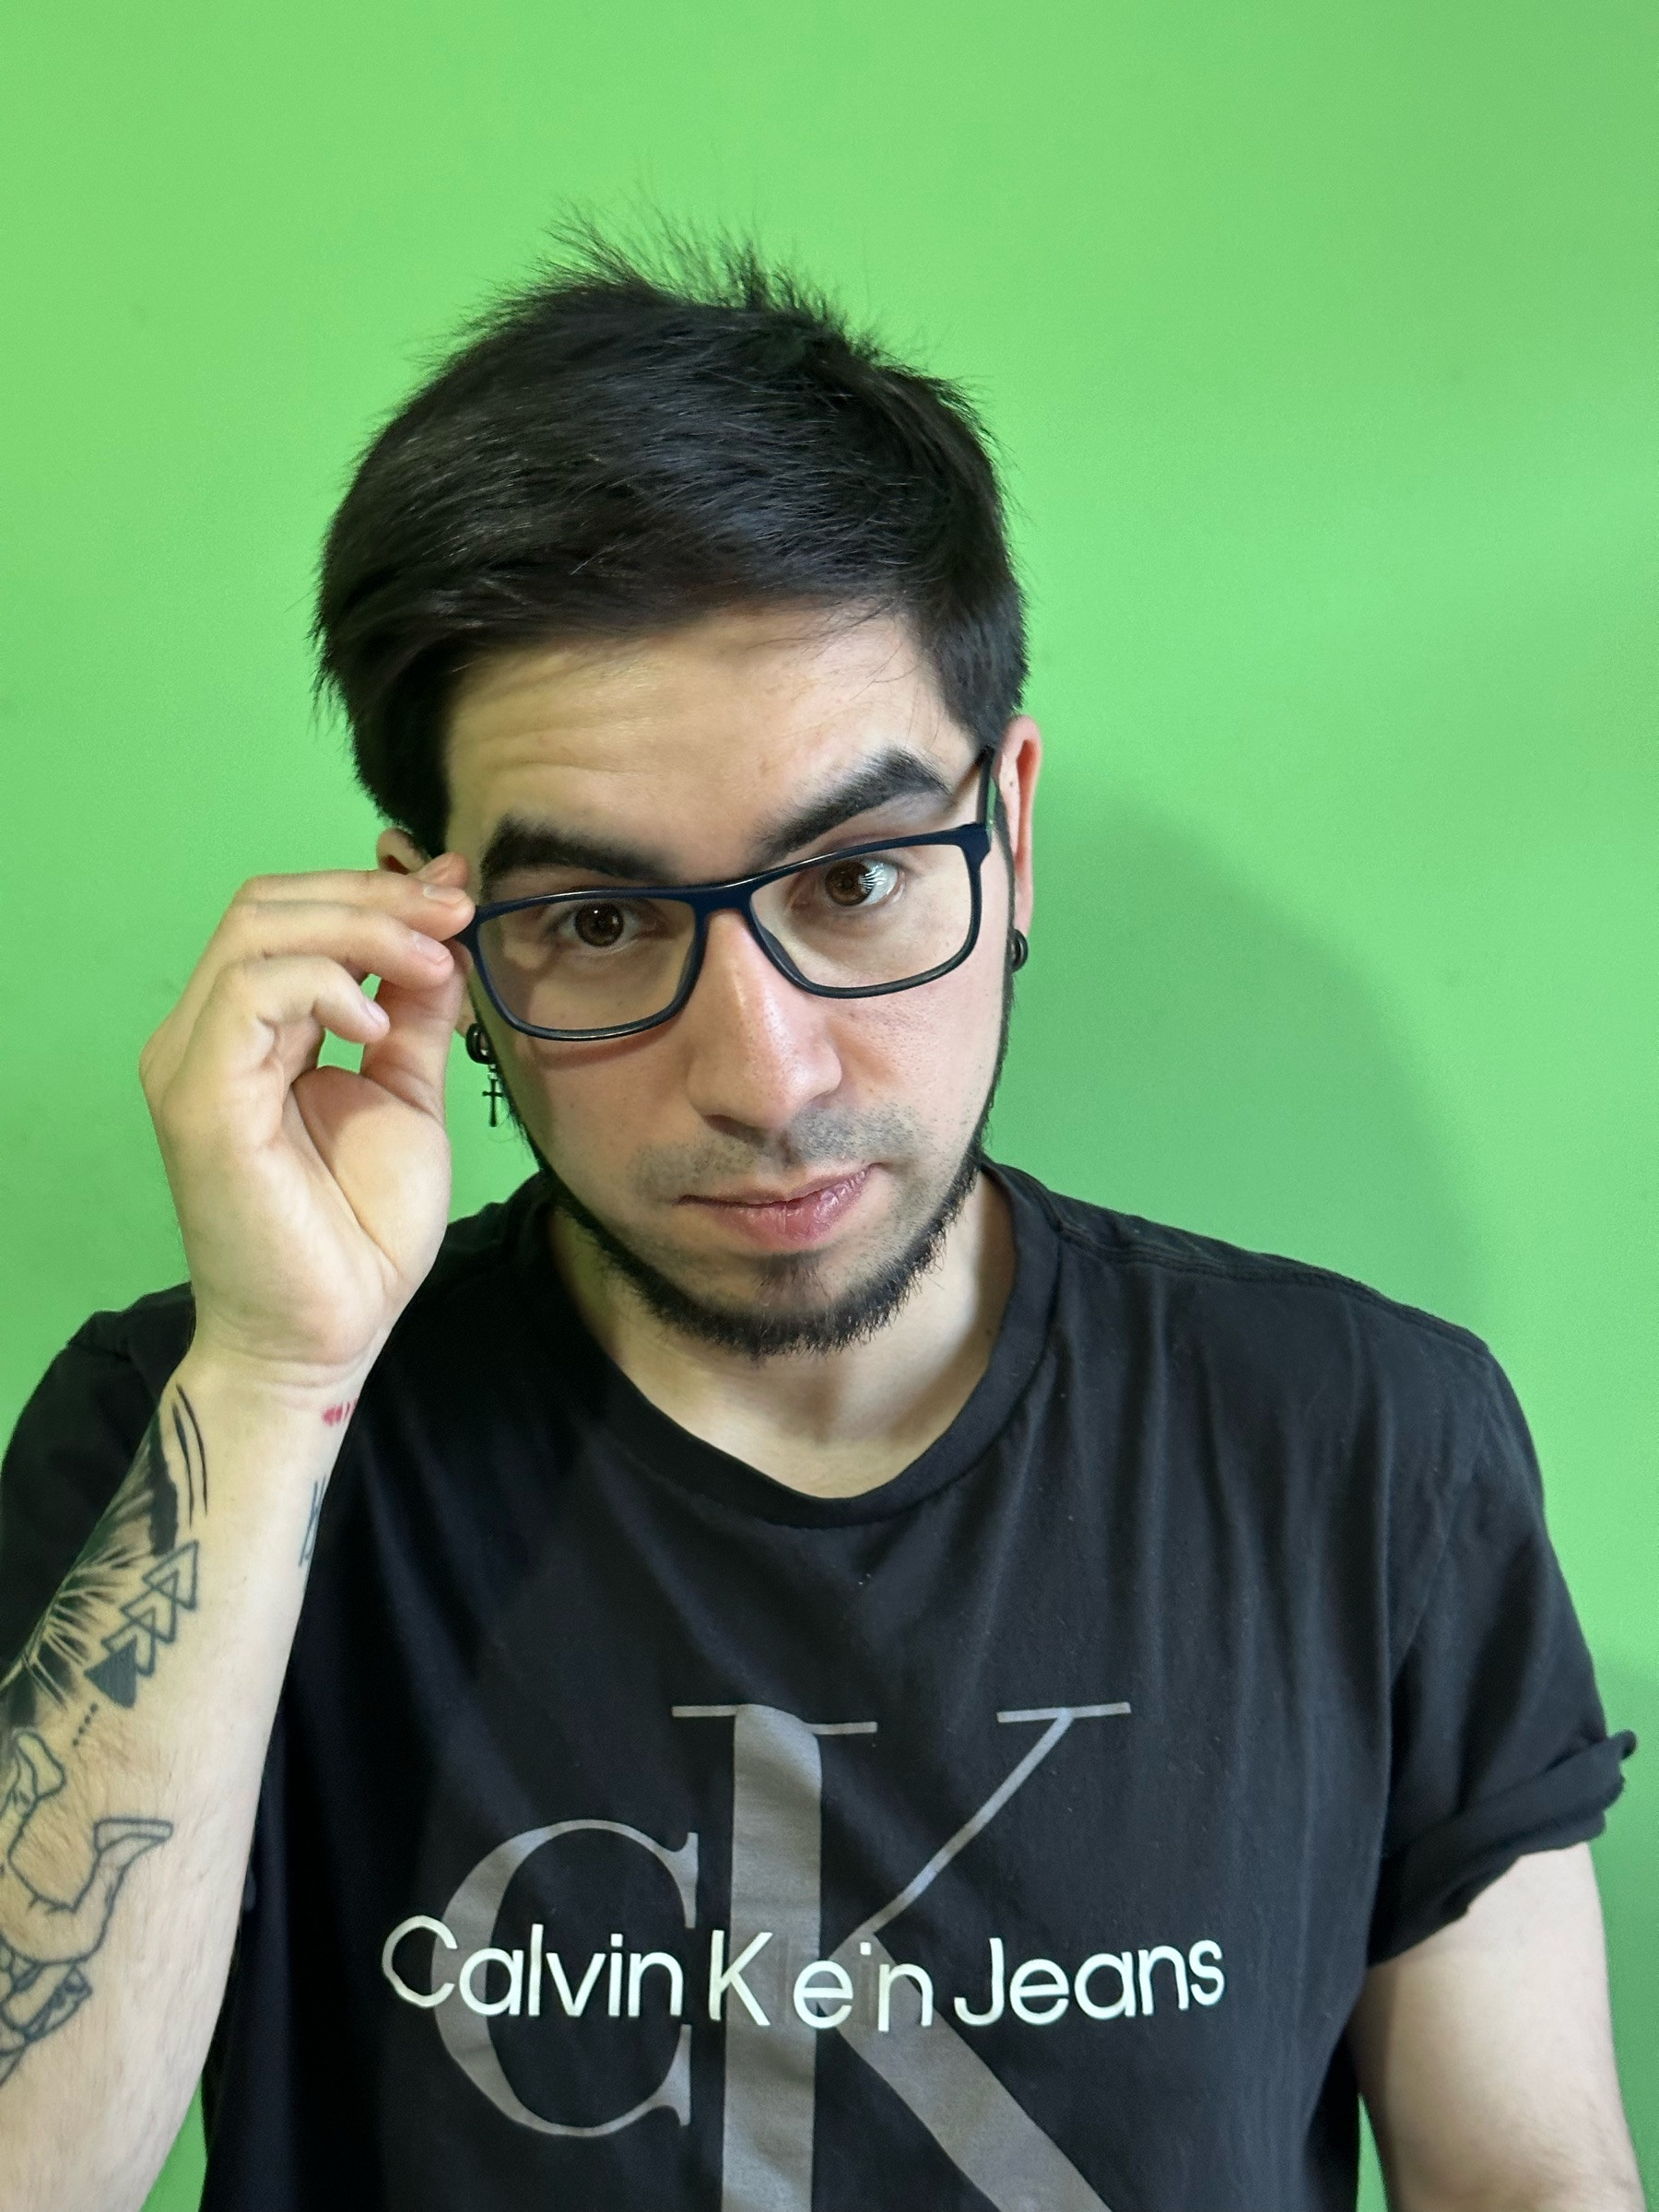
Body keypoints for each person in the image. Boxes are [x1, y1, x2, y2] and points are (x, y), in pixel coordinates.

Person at [0, 236, 1641, 2212]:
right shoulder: (191, 1438)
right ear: (437, 938)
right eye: (599, 921)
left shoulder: (1362, 1445)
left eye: (856, 881)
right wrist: (275, 1379)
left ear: (1007, 832)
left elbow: (1529, 2177)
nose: (766, 1077)